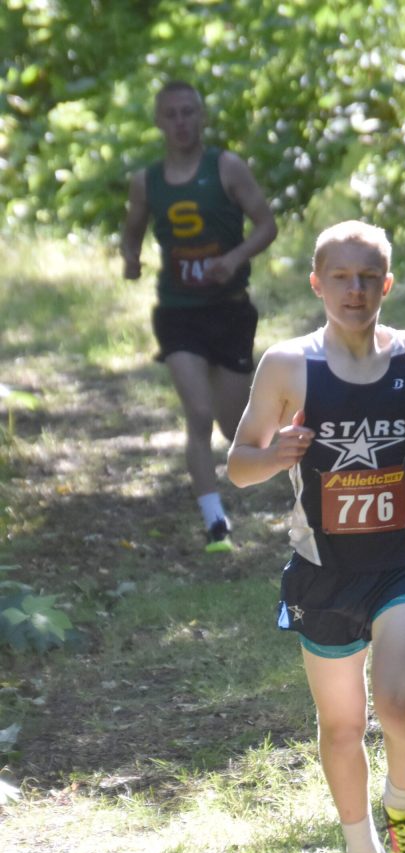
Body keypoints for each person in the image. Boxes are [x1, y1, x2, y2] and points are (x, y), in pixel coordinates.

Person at [227, 220, 405, 853]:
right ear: (317, 284)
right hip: (323, 575)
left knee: (397, 707)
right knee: (341, 729)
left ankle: (401, 805)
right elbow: (239, 466)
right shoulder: (288, 366)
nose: (356, 290)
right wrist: (277, 454)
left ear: (387, 285)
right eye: (341, 276)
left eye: (369, 277)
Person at [121, 80, 277, 552]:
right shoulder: (146, 181)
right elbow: (131, 230)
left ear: (202, 116)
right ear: (158, 121)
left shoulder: (226, 168)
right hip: (178, 314)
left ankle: (294, 450)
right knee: (199, 414)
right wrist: (130, 259)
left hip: (228, 311)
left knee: (235, 429)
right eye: (171, 114)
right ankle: (215, 524)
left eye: (189, 112)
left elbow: (267, 223)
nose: (181, 122)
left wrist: (234, 258)